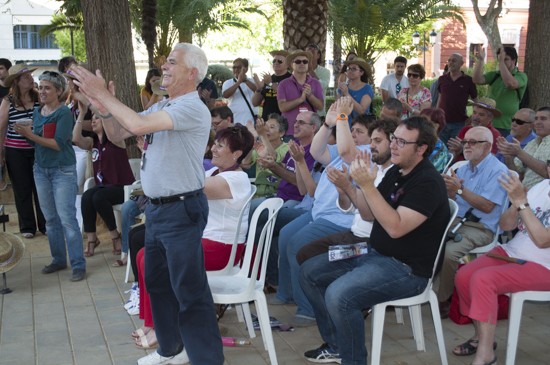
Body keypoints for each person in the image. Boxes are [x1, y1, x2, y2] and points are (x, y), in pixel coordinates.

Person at [70, 42, 223, 364]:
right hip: (157, 209)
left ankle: (207, 359)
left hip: (181, 209)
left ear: (192, 73)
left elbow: (137, 126)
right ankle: (171, 350)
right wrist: (102, 106)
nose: (163, 67)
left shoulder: (191, 107)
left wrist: (104, 94)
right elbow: (117, 134)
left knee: (189, 291)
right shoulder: (163, 106)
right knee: (157, 283)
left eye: (171, 62)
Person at [300, 116, 450, 364]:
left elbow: (395, 228)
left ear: (421, 148)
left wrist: (368, 186)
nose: (394, 145)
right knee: (310, 271)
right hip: (372, 252)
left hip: (407, 269)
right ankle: (337, 345)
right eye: (395, 139)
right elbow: (368, 214)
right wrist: (353, 185)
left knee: (340, 296)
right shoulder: (396, 171)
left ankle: (353, 360)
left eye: (402, 142)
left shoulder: (427, 182)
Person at [132, 124, 255, 349]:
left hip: (222, 249)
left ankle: (161, 328)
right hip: (203, 241)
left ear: (237, 154)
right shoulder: (213, 172)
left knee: (153, 260)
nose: (213, 149)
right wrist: (150, 154)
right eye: (215, 143)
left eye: (221, 146)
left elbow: (188, 184)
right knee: (144, 255)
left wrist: (155, 154)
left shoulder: (236, 180)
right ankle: (153, 323)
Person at [272, 97, 370, 327]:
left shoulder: (365, 154)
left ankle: (308, 308)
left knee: (297, 243)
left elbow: (347, 152)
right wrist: (327, 124)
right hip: (319, 212)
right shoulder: (340, 150)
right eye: (352, 130)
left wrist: (344, 118)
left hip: (340, 219)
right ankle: (286, 293)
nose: (354, 134)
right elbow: (317, 151)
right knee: (286, 234)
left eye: (360, 131)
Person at [452, 169, 550, 365]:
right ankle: (482, 337)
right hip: (513, 252)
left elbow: (542, 240)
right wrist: (516, 203)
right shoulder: (542, 186)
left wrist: (523, 203)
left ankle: (486, 355)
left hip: (543, 265)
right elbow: (506, 225)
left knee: (483, 279)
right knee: (464, 275)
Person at [14, 71, 85, 282]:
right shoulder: (39, 111)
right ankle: (58, 259)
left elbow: (58, 144)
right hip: (41, 169)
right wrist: (27, 135)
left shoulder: (63, 113)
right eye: (40, 86)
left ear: (58, 91)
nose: (42, 91)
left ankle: (78, 264)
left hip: (62, 170)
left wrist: (29, 135)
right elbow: (38, 141)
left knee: (67, 219)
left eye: (47, 88)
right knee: (51, 220)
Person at [436, 126, 508, 317]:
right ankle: (418, 286)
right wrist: (450, 191)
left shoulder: (499, 171)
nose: (466, 145)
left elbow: (486, 206)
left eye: (472, 142)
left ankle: (445, 298)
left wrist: (459, 190)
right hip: (457, 219)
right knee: (422, 235)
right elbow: (452, 199)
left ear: (487, 147)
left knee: (450, 252)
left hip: (481, 227)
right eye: (465, 141)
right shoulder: (464, 167)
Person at [72, 104, 135, 264]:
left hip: (123, 188)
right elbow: (75, 138)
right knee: (87, 196)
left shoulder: (116, 141)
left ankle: (115, 235)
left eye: (97, 118)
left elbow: (111, 124)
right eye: (92, 119)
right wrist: (82, 114)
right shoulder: (92, 142)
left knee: (98, 197)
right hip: (103, 187)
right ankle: (92, 238)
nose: (93, 121)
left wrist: (102, 110)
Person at [0, 64, 46, 238]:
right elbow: (1, 128)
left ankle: (44, 225)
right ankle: (27, 227)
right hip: (15, 151)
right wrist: (1, 153)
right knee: (22, 189)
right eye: (26, 77)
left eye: (30, 76)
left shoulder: (39, 98)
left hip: (38, 149)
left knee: (40, 188)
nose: (31, 79)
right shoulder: (8, 101)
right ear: (17, 82)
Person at [473, 46, 528, 136]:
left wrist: (501, 63)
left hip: (507, 126)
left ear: (514, 61)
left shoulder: (521, 76)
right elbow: (477, 80)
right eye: (500, 59)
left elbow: (510, 84)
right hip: (488, 123)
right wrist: (481, 60)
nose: (501, 62)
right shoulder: (495, 75)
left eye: (506, 59)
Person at [498, 106, 550, 189]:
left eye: (543, 119)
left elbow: (547, 173)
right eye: (536, 119)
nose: (537, 122)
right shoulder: (532, 143)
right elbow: (518, 175)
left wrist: (519, 152)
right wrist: (508, 157)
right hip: (525, 195)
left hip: (544, 198)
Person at [277, 50, 324, 137]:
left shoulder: (316, 83)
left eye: (305, 61)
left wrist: (310, 95)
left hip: (310, 133)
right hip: (290, 132)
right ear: (292, 64)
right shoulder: (283, 84)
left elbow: (320, 106)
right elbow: (282, 107)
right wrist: (300, 99)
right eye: (298, 61)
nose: (302, 64)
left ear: (308, 64)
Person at [242, 114, 289, 199]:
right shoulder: (261, 146)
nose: (266, 130)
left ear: (281, 133)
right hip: (257, 194)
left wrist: (262, 135)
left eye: (271, 127)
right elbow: (245, 163)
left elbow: (273, 158)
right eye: (265, 127)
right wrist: (252, 140)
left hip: (276, 194)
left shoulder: (287, 148)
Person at [437, 53, 478, 144]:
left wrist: (472, 117)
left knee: (455, 150)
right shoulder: (442, 79)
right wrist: (436, 115)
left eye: (454, 60)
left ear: (461, 63)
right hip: (442, 122)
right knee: (440, 149)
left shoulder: (468, 80)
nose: (451, 63)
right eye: (449, 60)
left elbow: (476, 101)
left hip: (459, 123)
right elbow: (440, 97)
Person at [252, 50, 291, 120]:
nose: (276, 63)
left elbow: (288, 95)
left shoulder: (291, 79)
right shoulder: (268, 79)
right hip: (267, 120)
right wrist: (259, 89)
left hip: (284, 121)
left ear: (287, 64)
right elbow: (255, 103)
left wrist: (270, 83)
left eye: (280, 61)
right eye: (274, 61)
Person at [222, 57, 258, 125]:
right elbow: (225, 95)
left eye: (239, 67)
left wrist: (245, 81)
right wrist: (238, 82)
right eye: (234, 67)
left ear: (246, 69)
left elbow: (257, 90)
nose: (236, 70)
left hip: (251, 118)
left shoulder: (252, 81)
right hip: (235, 118)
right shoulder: (228, 82)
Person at [420, 108, 451, 173]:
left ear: (436, 126)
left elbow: (426, 173)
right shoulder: (417, 142)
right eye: (419, 121)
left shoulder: (440, 151)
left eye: (424, 122)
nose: (419, 125)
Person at [306, 44, 331, 116]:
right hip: (303, 113)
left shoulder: (325, 71)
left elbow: (323, 86)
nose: (310, 55)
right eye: (307, 53)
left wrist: (311, 71)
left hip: (319, 113)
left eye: (313, 52)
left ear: (318, 55)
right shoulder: (299, 71)